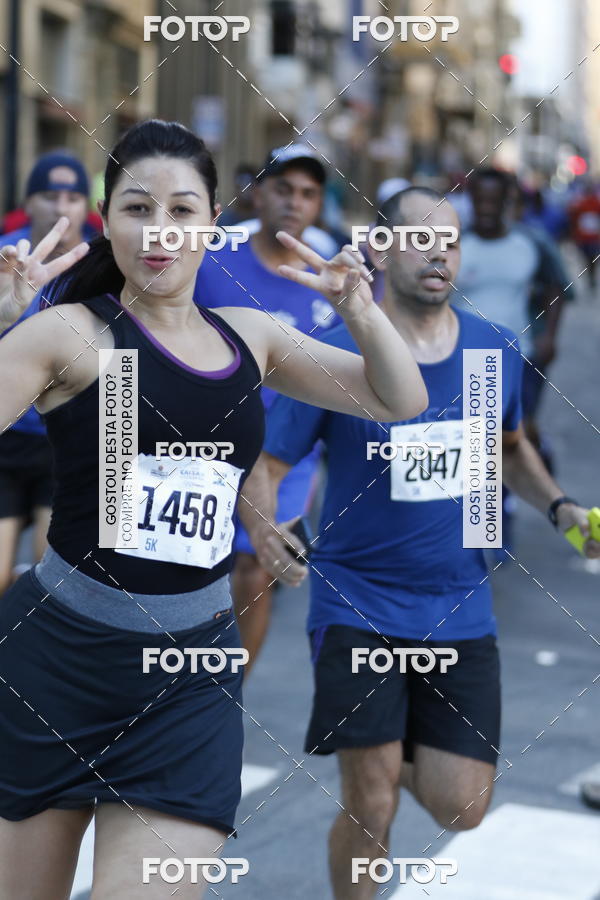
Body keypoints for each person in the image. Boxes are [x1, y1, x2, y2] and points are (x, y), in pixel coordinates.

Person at [0, 119, 427, 900]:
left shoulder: (252, 338)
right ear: (106, 220)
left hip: (189, 679)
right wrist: (3, 322)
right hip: (56, 666)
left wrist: (362, 310)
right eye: (137, 209)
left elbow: (398, 398)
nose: (159, 231)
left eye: (181, 210)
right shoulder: (69, 333)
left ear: (213, 224)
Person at [240, 187, 600, 900]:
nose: (440, 253)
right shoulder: (337, 353)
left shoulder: (491, 348)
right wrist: (264, 527)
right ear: (381, 249)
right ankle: (368, 775)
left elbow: (507, 447)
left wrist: (562, 509)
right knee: (371, 802)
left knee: (462, 806)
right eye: (422, 238)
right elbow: (268, 465)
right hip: (357, 602)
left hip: (459, 603)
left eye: (451, 242)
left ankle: (387, 743)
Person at [193, 143, 342, 673]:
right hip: (205, 442)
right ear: (257, 193)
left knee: (258, 568)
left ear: (318, 204)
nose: (294, 202)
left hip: (287, 452)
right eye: (283, 188)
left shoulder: (330, 277)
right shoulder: (212, 259)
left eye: (307, 193)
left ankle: (230, 687)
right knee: (195, 564)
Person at [452, 167, 574, 549]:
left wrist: (549, 336)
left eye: (495, 200)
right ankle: (488, 523)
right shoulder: (454, 245)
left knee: (512, 437)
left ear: (509, 202)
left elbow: (558, 287)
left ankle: (509, 505)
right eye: (480, 200)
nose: (487, 208)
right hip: (465, 360)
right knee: (478, 442)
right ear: (470, 200)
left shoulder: (531, 242)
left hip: (519, 359)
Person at [0, 153, 98, 594]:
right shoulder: (7, 256)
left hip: (71, 441)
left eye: (73, 197)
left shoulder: (105, 261)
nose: (61, 207)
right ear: (28, 202)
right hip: (8, 436)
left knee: (52, 584)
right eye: (49, 195)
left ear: (88, 206)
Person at [568, 178, 600, 288]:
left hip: (590, 238)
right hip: (586, 238)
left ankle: (591, 277)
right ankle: (591, 277)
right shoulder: (583, 203)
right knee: (589, 259)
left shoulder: (589, 203)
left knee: (589, 259)